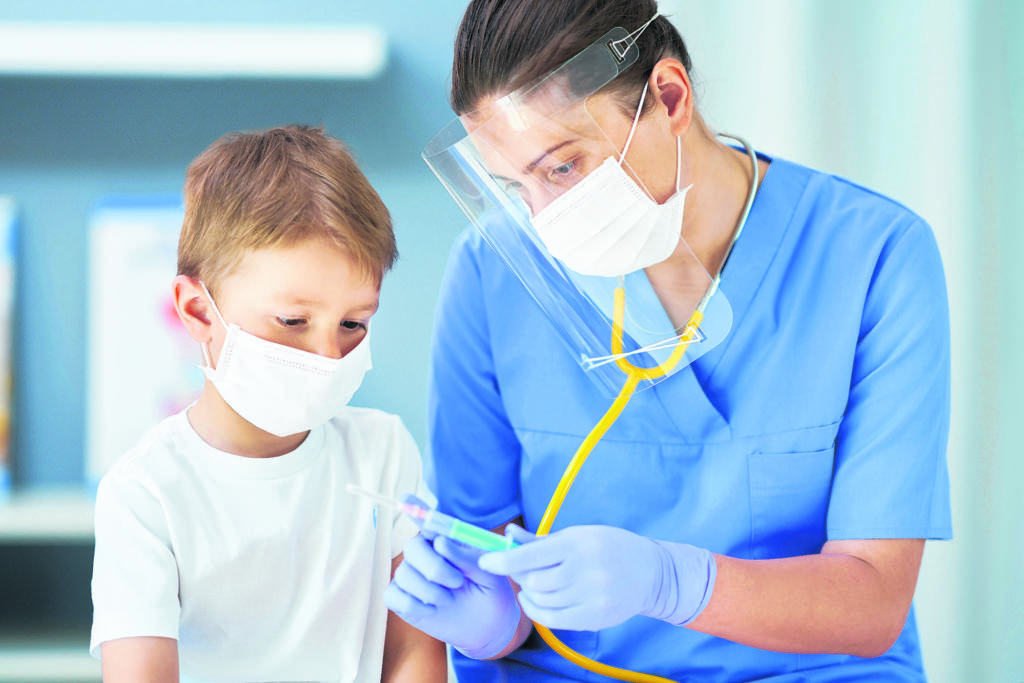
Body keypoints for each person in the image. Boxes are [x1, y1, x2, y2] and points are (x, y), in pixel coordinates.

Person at [385, 1, 952, 681]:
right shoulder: (492, 270)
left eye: (563, 168)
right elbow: (485, 556)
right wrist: (491, 622)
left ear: (669, 97)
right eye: (515, 186)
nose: (543, 219)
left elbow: (873, 602)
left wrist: (673, 581)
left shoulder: (873, 255)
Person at [89, 125, 446, 682]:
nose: (329, 354)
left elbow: (413, 653)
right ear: (199, 312)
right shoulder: (146, 494)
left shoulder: (383, 453)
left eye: (353, 323)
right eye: (293, 321)